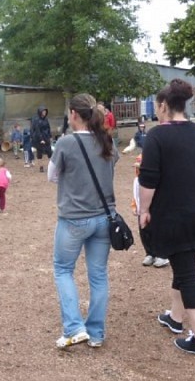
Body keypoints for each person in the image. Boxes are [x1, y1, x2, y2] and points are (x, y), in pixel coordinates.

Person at [138, 79, 195, 357]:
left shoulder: (157, 136)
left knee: (187, 274)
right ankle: (175, 318)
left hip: (176, 217)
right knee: (182, 263)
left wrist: (144, 210)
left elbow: (148, 180)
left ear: (163, 106)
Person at [47, 93, 117, 349]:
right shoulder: (107, 141)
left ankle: (74, 327)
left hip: (74, 218)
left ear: (74, 114)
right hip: (104, 217)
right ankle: (96, 332)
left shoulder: (66, 143)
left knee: (63, 270)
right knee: (98, 275)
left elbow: (52, 177)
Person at [131, 154, 169, 268]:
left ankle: (162, 255)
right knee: (145, 231)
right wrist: (135, 206)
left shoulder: (158, 179)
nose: (138, 170)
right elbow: (135, 194)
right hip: (142, 209)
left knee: (159, 230)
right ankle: (150, 253)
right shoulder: (137, 180)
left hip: (157, 209)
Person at [31, 105, 53, 173]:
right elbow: (37, 130)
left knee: (49, 152)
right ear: (40, 112)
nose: (44, 112)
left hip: (46, 137)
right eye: (43, 111)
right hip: (39, 139)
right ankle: (41, 167)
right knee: (40, 153)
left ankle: (51, 167)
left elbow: (48, 128)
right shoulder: (36, 120)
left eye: (45, 111)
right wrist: (41, 139)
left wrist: (50, 136)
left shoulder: (46, 119)